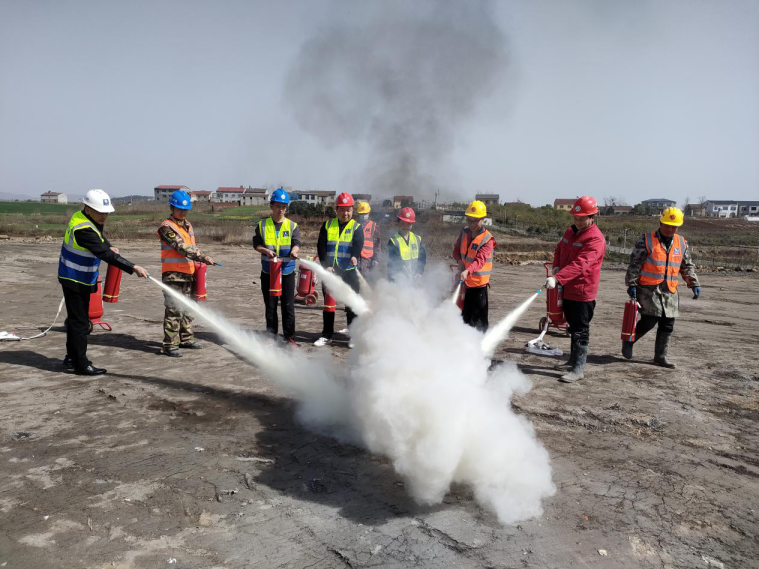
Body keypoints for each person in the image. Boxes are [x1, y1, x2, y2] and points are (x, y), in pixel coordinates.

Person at [59, 189, 149, 375]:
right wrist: (133, 267)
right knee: (80, 323)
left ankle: (72, 358)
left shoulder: (84, 218)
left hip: (78, 277)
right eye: (100, 212)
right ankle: (81, 365)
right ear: (88, 209)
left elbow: (99, 240)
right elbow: (105, 254)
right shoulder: (83, 229)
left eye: (107, 212)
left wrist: (108, 245)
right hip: (74, 278)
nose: (104, 216)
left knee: (77, 321)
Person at [622, 207, 700, 367]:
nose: (670, 229)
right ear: (660, 223)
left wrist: (693, 282)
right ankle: (629, 341)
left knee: (668, 323)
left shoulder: (681, 243)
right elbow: (635, 264)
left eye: (674, 227)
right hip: (649, 289)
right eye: (667, 225)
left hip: (670, 290)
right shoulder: (646, 240)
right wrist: (632, 283)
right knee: (649, 321)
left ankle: (660, 356)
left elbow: (686, 265)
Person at [545, 196, 606, 383]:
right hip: (566, 287)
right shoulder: (570, 232)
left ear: (592, 217)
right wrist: (556, 267)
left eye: (581, 218)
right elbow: (559, 249)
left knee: (580, 329)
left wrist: (558, 278)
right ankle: (572, 361)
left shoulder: (595, 239)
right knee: (572, 326)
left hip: (582, 291)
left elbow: (581, 264)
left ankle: (578, 369)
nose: (577, 221)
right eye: (575, 218)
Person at [157, 190, 215, 357]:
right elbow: (181, 247)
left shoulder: (188, 225)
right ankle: (170, 345)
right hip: (173, 275)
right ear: (172, 208)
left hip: (189, 273)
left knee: (189, 308)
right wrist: (202, 256)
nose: (183, 213)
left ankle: (186, 339)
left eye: (185, 210)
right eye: (180, 209)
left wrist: (199, 262)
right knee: (174, 310)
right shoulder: (166, 227)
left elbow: (192, 246)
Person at [314, 192, 364, 347]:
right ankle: (327, 335)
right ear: (336, 210)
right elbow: (321, 246)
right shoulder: (327, 226)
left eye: (348, 210)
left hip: (349, 272)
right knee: (329, 305)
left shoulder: (356, 227)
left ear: (352, 210)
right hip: (331, 271)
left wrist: (354, 256)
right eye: (342, 209)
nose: (345, 213)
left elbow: (358, 245)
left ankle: (353, 336)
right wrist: (325, 265)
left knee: (351, 304)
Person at [252, 188, 301, 347]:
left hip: (287, 271)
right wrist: (266, 251)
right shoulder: (262, 225)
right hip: (269, 271)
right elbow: (256, 244)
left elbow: (296, 243)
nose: (281, 210)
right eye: (278, 206)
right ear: (271, 206)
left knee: (288, 306)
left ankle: (290, 337)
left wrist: (294, 251)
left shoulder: (292, 226)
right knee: (270, 306)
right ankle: (271, 336)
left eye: (284, 207)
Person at [452, 200, 496, 332]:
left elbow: (479, 261)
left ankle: (480, 343)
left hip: (478, 287)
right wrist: (459, 261)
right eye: (469, 220)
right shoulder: (464, 232)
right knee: (464, 319)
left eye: (475, 221)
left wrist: (467, 271)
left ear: (483, 219)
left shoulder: (487, 239)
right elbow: (456, 250)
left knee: (479, 323)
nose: (471, 224)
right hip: (464, 284)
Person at [386, 207, 426, 282]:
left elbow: (422, 258)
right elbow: (394, 261)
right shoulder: (393, 241)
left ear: (412, 224)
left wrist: (419, 272)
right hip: (398, 278)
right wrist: (403, 270)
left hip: (414, 277)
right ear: (398, 222)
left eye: (408, 224)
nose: (405, 226)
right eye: (403, 223)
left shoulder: (417, 239)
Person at [356, 201, 380, 276]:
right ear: (358, 214)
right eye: (361, 214)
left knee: (366, 281)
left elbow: (377, 244)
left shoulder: (374, 226)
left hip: (367, 262)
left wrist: (376, 259)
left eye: (365, 213)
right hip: (354, 260)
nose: (363, 216)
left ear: (369, 213)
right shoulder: (353, 225)